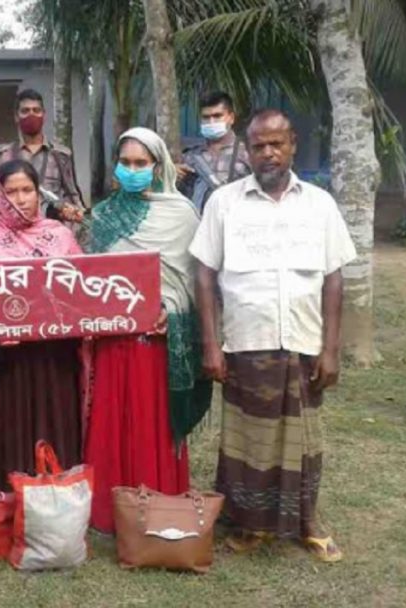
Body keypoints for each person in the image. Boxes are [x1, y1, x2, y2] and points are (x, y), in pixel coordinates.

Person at [191, 109, 356, 563]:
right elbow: (204, 275)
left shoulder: (320, 204)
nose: (268, 153)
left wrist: (330, 349)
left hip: (303, 340)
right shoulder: (224, 202)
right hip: (246, 341)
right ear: (247, 150)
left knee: (305, 438)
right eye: (259, 145)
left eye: (276, 143)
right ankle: (251, 523)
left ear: (292, 145)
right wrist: (210, 344)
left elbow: (334, 278)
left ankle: (307, 521)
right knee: (249, 439)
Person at [83, 127, 213, 534]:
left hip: (159, 345)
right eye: (125, 162)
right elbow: (88, 279)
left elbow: (195, 282)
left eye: (141, 163)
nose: (133, 169)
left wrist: (171, 310)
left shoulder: (182, 215)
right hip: (111, 343)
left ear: (158, 167)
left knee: (150, 422)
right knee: (112, 423)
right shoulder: (103, 216)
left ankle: (160, 504)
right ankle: (109, 512)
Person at [0, 159, 84, 491]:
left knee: (55, 416)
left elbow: (80, 292)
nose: (20, 199)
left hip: (53, 355)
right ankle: (10, 494)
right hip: (6, 359)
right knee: (9, 421)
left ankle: (60, 493)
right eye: (11, 192)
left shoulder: (60, 236)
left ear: (39, 193)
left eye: (27, 190)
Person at [0, 88, 85, 223]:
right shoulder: (2, 156)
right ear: (16, 117)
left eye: (36, 110)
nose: (31, 115)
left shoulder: (60, 156)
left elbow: (73, 197)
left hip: (50, 230)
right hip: (13, 229)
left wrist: (63, 210)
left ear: (44, 115)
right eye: (25, 111)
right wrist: (10, 198)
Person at [177, 91, 252, 212]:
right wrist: (172, 176)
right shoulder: (190, 156)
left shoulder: (249, 153)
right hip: (198, 221)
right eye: (206, 117)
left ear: (231, 118)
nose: (211, 122)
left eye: (217, 116)